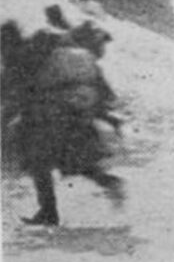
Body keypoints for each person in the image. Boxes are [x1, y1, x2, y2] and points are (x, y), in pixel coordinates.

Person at [1, 14, 124, 226]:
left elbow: (9, 92)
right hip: (74, 109)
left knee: (39, 161)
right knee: (69, 158)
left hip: (51, 114)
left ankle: (49, 212)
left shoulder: (19, 58)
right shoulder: (41, 46)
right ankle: (108, 181)